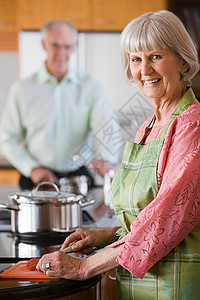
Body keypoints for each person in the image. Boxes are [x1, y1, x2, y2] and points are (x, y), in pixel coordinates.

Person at [36, 10, 200, 299]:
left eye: (156, 57)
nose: (145, 70)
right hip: (140, 286)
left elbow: (166, 221)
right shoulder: (148, 128)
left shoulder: (192, 127)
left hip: (176, 287)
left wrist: (84, 267)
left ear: (183, 60)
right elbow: (145, 215)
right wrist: (106, 235)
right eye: (136, 59)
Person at [0, 20, 121, 190]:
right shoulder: (22, 90)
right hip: (35, 178)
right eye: (55, 45)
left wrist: (109, 158)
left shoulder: (89, 86)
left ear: (74, 47)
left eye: (68, 47)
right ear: (44, 44)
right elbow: (7, 138)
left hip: (78, 178)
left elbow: (107, 125)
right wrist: (32, 168)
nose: (61, 53)